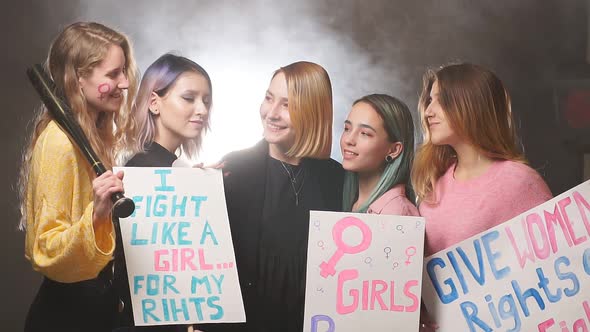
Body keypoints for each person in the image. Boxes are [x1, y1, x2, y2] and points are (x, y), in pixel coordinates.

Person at [411, 63, 553, 330]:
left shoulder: (519, 182)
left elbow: (550, 277)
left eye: (440, 101)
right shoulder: (435, 184)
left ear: (469, 105)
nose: (428, 112)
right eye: (429, 101)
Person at [18, 21, 138, 332]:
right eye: (113, 74)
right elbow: (46, 250)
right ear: (79, 78)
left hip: (100, 310)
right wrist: (96, 215)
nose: (125, 83)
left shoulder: (96, 135)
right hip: (66, 317)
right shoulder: (59, 143)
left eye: (124, 71)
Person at [213, 61, 343, 332]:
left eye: (287, 105)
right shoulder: (232, 169)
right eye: (269, 98)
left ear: (313, 112)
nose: (271, 113)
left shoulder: (337, 179)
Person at [114, 53, 212, 331]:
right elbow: (136, 271)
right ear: (154, 103)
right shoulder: (142, 172)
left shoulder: (173, 168)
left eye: (206, 100)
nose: (202, 109)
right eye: (189, 98)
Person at [341, 93, 418, 216]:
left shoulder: (398, 212)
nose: (348, 140)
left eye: (365, 133)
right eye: (347, 128)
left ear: (394, 150)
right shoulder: (349, 200)